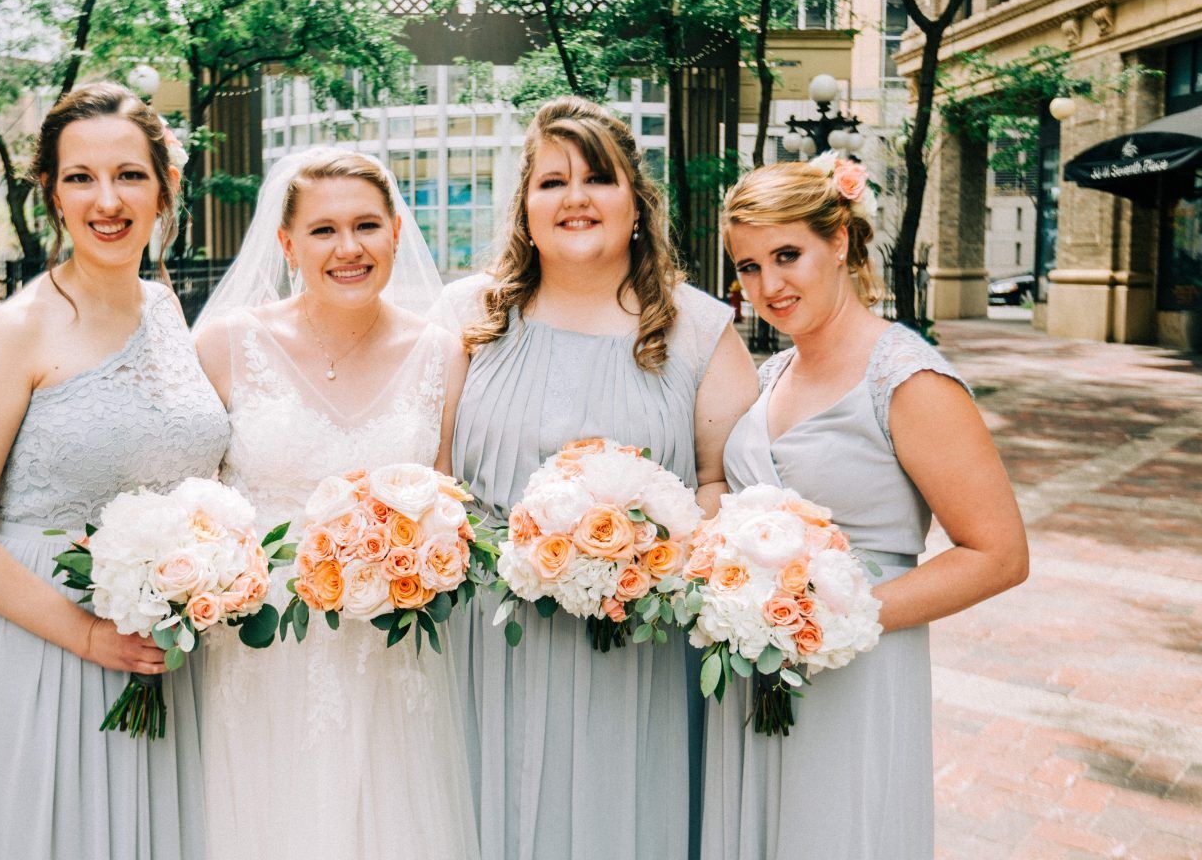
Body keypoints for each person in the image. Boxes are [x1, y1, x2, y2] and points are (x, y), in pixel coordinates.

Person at [0, 83, 230, 860]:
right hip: (37, 646)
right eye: (80, 177)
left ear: (165, 187)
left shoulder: (167, 309)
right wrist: (86, 636)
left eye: (129, 174)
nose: (107, 200)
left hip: (155, 652)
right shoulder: (16, 328)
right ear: (52, 193)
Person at [445, 96, 758, 860]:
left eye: (599, 178)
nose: (576, 198)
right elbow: (431, 472)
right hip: (485, 641)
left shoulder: (700, 331)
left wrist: (646, 557)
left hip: (637, 648)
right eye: (552, 182)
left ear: (638, 205)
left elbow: (724, 486)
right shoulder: (469, 315)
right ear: (526, 206)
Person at [703, 155, 1029, 859]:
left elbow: (999, 555)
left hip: (857, 665)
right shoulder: (775, 373)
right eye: (749, 267)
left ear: (841, 241)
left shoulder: (907, 379)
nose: (769, 285)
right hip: (755, 664)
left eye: (787, 255)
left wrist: (833, 615)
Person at [192, 149, 479, 860]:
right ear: (286, 243)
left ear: (395, 235)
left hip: (387, 653)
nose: (348, 249)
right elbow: (191, 507)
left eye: (366, 226)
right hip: (258, 655)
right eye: (323, 230)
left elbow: (450, 503)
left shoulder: (442, 354)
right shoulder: (226, 346)